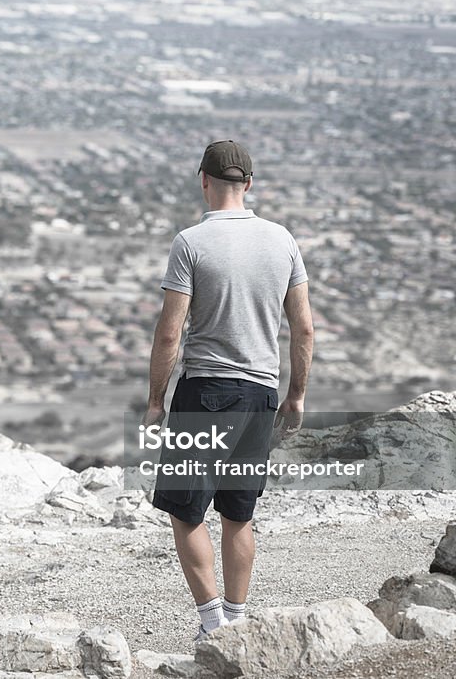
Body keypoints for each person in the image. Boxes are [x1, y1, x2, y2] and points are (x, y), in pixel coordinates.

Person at [142, 139, 314, 641]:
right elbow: (303, 329)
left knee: (182, 506)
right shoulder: (282, 241)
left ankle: (213, 621)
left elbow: (170, 332)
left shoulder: (191, 242)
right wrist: (296, 395)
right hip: (261, 394)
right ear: (250, 185)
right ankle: (237, 618)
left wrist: (156, 400)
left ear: (204, 181)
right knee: (239, 513)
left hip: (207, 391)